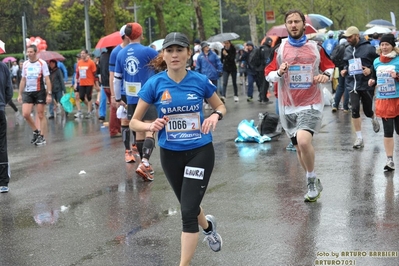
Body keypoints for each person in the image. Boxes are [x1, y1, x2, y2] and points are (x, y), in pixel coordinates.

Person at [130, 32, 225, 266]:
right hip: (171, 154)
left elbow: (221, 105)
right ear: (163, 54)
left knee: (187, 211)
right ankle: (209, 227)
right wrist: (151, 125)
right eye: (169, 50)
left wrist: (215, 116)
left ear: (187, 53)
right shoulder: (155, 83)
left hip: (200, 151)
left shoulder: (200, 81)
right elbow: (134, 122)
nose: (174, 55)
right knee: (188, 204)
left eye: (179, 50)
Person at [265, 9, 335, 202]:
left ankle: (311, 180)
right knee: (298, 149)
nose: (294, 25)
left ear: (304, 25)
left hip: (311, 102)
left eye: (297, 21)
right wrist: (278, 72)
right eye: (290, 22)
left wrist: (325, 75)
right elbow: (268, 73)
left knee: (304, 141)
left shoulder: (316, 47)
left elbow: (329, 66)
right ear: (286, 26)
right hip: (288, 105)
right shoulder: (280, 49)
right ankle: (312, 178)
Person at [114, 22, 159, 180]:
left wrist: (118, 98)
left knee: (139, 131)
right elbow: (162, 68)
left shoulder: (121, 53)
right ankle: (145, 162)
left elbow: (117, 78)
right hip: (148, 95)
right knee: (151, 129)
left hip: (131, 97)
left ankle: (144, 162)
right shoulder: (149, 51)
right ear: (141, 35)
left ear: (126, 36)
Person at [340, 26, 380, 149]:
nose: (348, 39)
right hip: (352, 84)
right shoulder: (347, 49)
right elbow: (346, 64)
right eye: (346, 37)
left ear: (357, 36)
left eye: (350, 37)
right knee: (355, 109)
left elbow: (379, 62)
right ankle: (359, 138)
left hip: (366, 84)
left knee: (367, 111)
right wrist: (345, 70)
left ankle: (373, 117)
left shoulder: (369, 48)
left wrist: (370, 70)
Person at [368, 33, 399, 171]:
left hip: (398, 99)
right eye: (382, 45)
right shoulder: (376, 62)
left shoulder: (398, 60)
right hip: (384, 99)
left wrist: (397, 76)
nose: (384, 47)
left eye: (387, 44)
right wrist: (371, 81)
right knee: (388, 131)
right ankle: (389, 160)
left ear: (392, 45)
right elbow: (374, 77)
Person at [18, 44, 52, 145]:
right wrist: (20, 94)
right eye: (27, 52)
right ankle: (36, 131)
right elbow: (23, 79)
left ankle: (42, 136)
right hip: (28, 92)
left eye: (31, 52)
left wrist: (49, 94)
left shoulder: (42, 63)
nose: (29, 54)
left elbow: (47, 79)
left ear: (35, 52)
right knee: (25, 114)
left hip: (40, 91)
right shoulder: (25, 64)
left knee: (41, 114)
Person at [0, 57, 13, 193]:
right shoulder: (3, 68)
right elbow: (9, 91)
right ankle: (3, 182)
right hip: (0, 110)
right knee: (1, 145)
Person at [74, 49, 97, 118]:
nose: (82, 55)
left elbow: (94, 73)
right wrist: (75, 82)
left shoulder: (91, 63)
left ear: (87, 54)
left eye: (83, 53)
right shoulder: (79, 63)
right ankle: (91, 106)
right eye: (81, 53)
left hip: (89, 82)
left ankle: (89, 112)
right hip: (82, 83)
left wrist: (95, 83)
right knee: (81, 97)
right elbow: (77, 74)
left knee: (89, 97)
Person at [331, 34, 350, 113]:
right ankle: (345, 107)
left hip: (339, 68)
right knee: (347, 87)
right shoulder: (348, 47)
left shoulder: (338, 46)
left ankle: (335, 105)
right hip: (348, 68)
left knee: (340, 86)